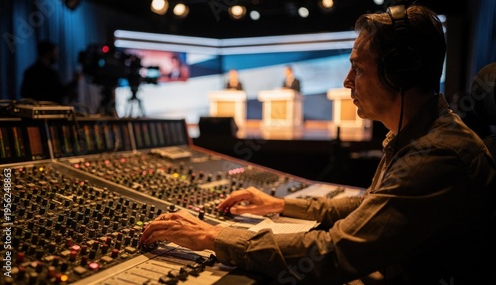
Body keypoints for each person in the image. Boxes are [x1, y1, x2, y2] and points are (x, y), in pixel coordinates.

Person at [141, 4, 496, 284]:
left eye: (358, 68)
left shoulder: (437, 155)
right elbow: (367, 208)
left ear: (398, 72)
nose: (347, 81)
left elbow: (332, 255)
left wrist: (214, 236)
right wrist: (279, 205)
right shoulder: (417, 137)